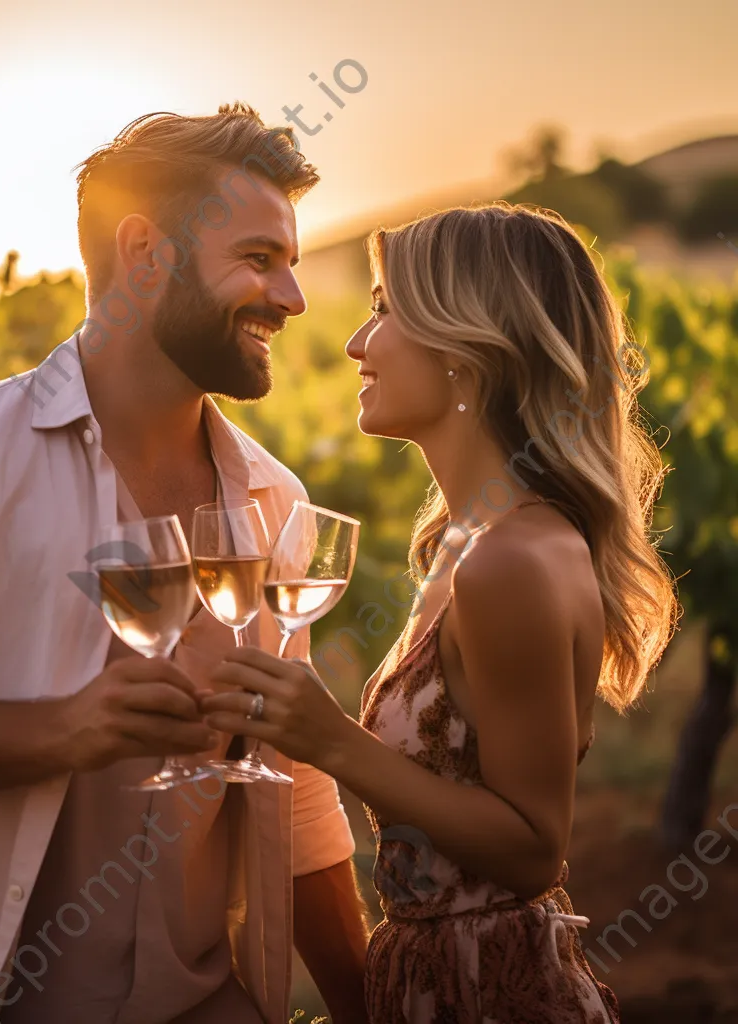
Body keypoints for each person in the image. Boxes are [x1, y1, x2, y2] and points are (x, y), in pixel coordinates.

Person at [0, 103, 371, 1024]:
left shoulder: (275, 500)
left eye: (291, 262)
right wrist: (67, 728)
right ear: (146, 253)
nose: (293, 299)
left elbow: (292, 786)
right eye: (260, 259)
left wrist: (365, 1005)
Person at [199, 203, 678, 1023]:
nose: (355, 343)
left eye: (384, 309)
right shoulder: (463, 542)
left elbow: (533, 848)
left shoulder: (509, 561)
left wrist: (330, 742)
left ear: (467, 349)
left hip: (488, 990)